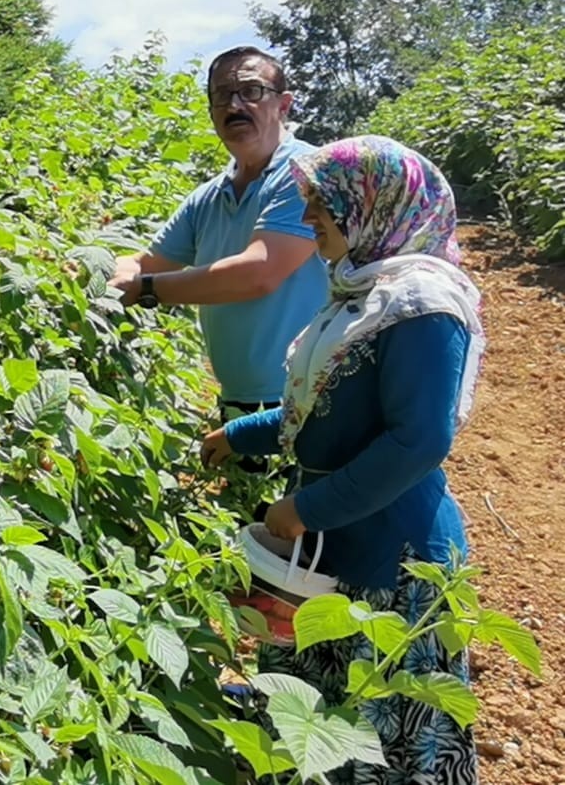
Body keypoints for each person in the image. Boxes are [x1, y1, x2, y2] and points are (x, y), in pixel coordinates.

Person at [201, 135, 485, 782]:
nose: (308, 221)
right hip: (341, 538)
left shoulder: (421, 307)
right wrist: (238, 434)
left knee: (380, 730)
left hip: (393, 552)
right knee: (314, 712)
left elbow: (418, 440)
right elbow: (321, 407)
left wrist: (307, 506)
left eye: (318, 206)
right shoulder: (362, 292)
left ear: (371, 205)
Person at [108, 46, 329, 430]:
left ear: (284, 105)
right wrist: (84, 274)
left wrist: (146, 289)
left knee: (302, 490)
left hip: (311, 394)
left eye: (251, 91)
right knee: (249, 488)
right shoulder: (209, 197)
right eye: (221, 95)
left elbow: (259, 272)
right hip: (238, 395)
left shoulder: (307, 173)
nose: (235, 104)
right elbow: (149, 262)